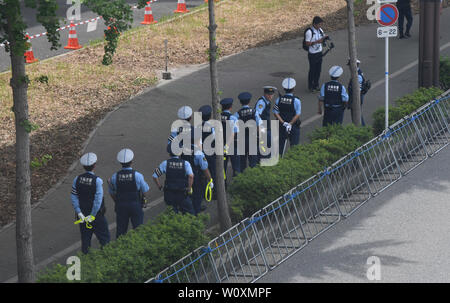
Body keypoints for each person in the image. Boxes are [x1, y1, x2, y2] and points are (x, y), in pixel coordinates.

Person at [71, 153, 110, 254]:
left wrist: (78, 211)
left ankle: (86, 262)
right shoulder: (97, 181)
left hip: (82, 215)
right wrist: (92, 215)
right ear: (94, 165)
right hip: (97, 216)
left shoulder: (77, 179)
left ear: (83, 166)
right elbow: (98, 200)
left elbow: (73, 196)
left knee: (85, 240)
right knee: (105, 239)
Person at [108, 148, 150, 239]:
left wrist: (117, 201)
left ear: (120, 163)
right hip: (135, 204)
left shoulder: (114, 177)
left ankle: (120, 249)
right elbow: (145, 190)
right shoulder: (138, 175)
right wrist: (143, 198)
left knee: (121, 231)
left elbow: (111, 192)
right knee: (139, 230)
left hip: (121, 206)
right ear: (131, 161)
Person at [153, 144, 195, 215]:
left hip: (169, 193)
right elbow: (191, 176)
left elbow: (155, 176)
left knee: (172, 213)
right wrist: (189, 188)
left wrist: (160, 187)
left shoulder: (165, 163)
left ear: (169, 154)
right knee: (190, 213)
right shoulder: (186, 164)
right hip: (182, 193)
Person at [181, 131, 213, 215]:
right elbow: (204, 169)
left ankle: (188, 210)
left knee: (187, 195)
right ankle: (196, 212)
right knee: (198, 195)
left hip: (184, 176)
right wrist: (210, 180)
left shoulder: (182, 148)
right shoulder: (199, 153)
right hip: (196, 177)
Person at [274, 78, 301, 156]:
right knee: (295, 147)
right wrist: (290, 123)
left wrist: (283, 123)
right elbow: (297, 114)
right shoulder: (296, 100)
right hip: (294, 126)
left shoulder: (278, 99)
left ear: (284, 89)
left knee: (280, 146)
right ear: (293, 88)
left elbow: (276, 113)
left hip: (281, 126)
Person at [235, 92, 262, 171]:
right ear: (249, 101)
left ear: (240, 102)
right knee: (253, 162)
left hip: (242, 140)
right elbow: (259, 125)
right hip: (252, 139)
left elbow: (234, 128)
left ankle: (243, 178)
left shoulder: (237, 114)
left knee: (242, 162)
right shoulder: (254, 112)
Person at [304, 16, 329, 92]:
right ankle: (310, 86)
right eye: (319, 24)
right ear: (314, 24)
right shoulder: (309, 32)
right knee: (312, 70)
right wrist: (318, 41)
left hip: (319, 53)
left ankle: (316, 84)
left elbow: (322, 38)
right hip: (313, 54)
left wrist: (325, 38)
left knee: (318, 70)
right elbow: (307, 44)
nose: (321, 26)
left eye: (321, 24)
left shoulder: (320, 30)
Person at [220, 98, 240, 178]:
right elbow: (234, 133)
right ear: (231, 107)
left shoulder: (217, 117)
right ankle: (236, 186)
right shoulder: (233, 118)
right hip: (232, 146)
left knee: (222, 168)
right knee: (236, 168)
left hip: (221, 146)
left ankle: (224, 186)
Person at [255, 86, 276, 159]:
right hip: (264, 129)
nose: (270, 96)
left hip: (266, 127)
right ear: (264, 94)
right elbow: (257, 115)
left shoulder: (267, 101)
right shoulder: (262, 102)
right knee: (266, 147)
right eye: (268, 94)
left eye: (272, 94)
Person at [198, 105, 216, 188]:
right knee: (213, 171)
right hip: (212, 152)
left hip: (202, 152)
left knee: (203, 171)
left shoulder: (198, 127)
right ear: (210, 115)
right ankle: (214, 191)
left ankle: (205, 189)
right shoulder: (213, 127)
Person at [347, 59, 367, 126]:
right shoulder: (357, 72)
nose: (349, 67)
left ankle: (362, 128)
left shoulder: (357, 75)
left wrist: (352, 100)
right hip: (357, 96)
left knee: (356, 114)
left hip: (357, 97)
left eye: (350, 65)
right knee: (357, 113)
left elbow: (357, 89)